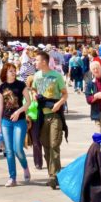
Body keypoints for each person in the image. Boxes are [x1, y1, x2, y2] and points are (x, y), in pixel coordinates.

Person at [30, 50, 67, 189]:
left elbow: (65, 95)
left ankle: (54, 175)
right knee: (46, 146)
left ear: (44, 62)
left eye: (37, 60)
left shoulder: (56, 76)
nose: (35, 62)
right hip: (42, 115)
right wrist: (34, 94)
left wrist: (58, 103)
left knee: (54, 145)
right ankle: (53, 174)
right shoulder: (37, 76)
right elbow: (33, 89)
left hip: (55, 115)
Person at [0, 63, 31, 187]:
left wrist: (18, 111)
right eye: (10, 71)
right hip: (6, 121)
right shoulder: (2, 87)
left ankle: (25, 167)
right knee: (9, 151)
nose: (13, 72)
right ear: (5, 72)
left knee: (18, 149)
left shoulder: (21, 85)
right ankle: (12, 177)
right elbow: (0, 107)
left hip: (19, 121)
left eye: (14, 70)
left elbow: (28, 102)